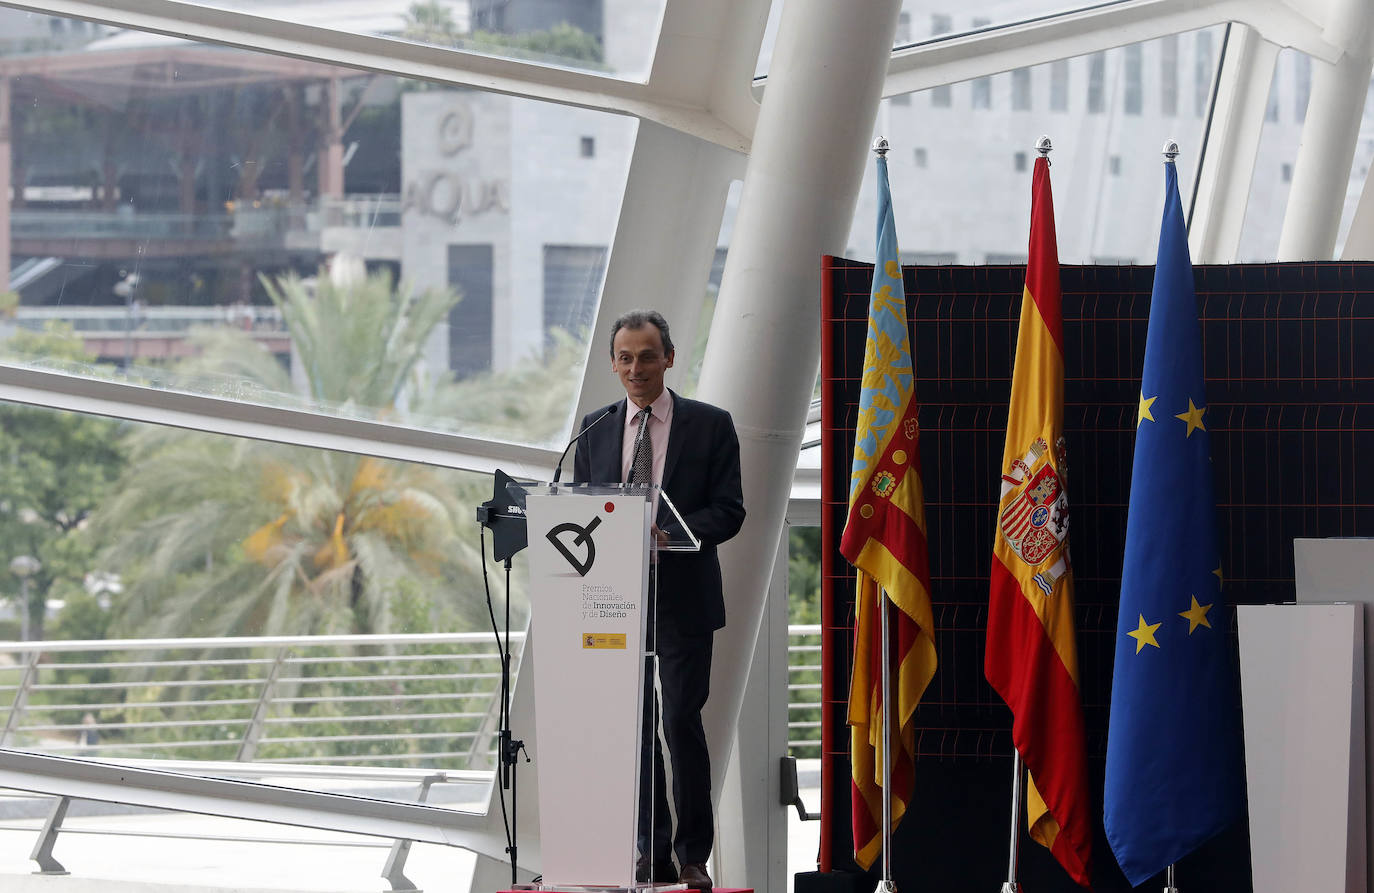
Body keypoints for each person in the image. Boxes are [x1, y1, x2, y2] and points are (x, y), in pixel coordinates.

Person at [573, 309, 745, 892]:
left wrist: (669, 533)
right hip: (613, 600)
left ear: (669, 358)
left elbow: (730, 511)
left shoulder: (710, 425)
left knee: (678, 721)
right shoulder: (593, 429)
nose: (636, 368)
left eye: (647, 356)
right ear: (613, 363)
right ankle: (653, 854)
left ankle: (693, 854)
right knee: (636, 728)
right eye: (625, 357)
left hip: (683, 601)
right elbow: (579, 512)